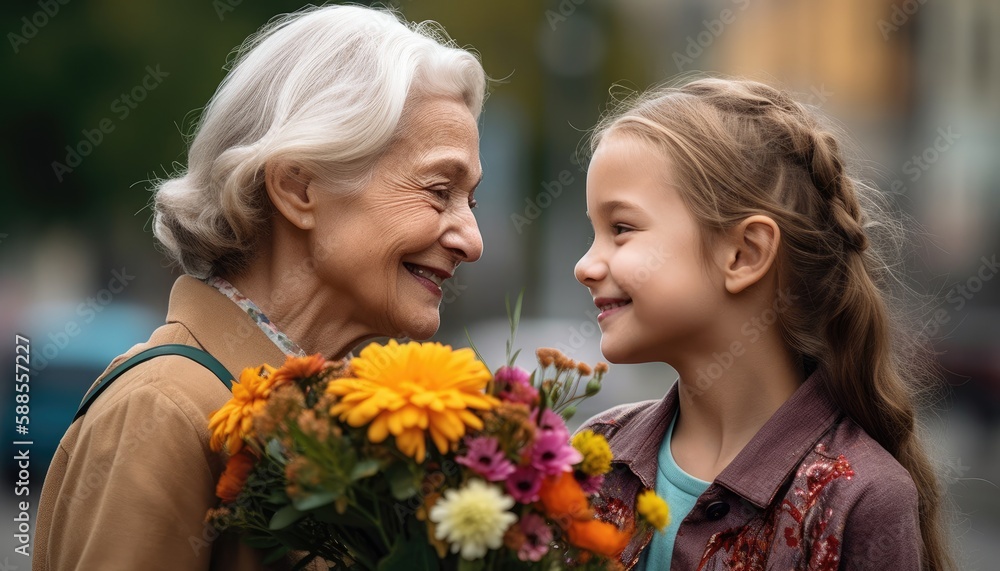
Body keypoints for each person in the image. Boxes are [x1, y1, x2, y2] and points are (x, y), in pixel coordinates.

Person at [35, 5, 487, 570]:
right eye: (438, 190)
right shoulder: (163, 411)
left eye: (471, 200)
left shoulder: (354, 427)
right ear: (298, 187)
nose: (472, 239)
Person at [574, 78, 952, 570]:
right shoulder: (597, 452)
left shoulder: (856, 499)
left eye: (621, 229)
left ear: (744, 253)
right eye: (594, 231)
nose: (585, 265)